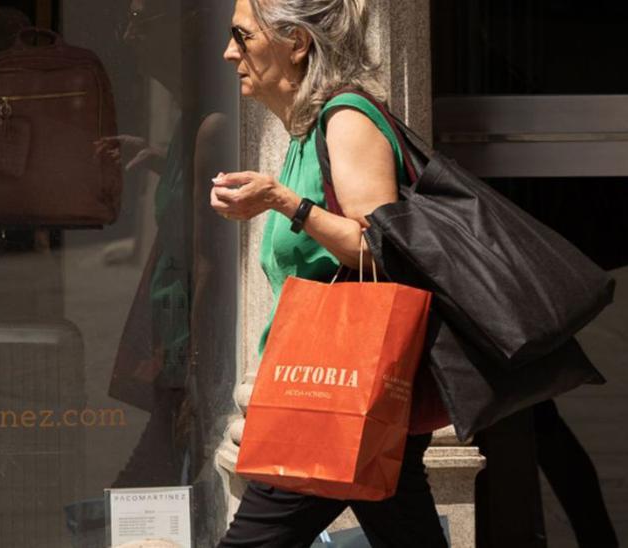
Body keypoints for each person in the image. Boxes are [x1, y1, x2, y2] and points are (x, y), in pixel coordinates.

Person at [210, 1, 448, 546]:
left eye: (242, 36)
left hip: (332, 393)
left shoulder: (347, 120)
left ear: (296, 43)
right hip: (345, 390)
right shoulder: (307, 130)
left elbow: (379, 248)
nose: (230, 52)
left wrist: (284, 201)